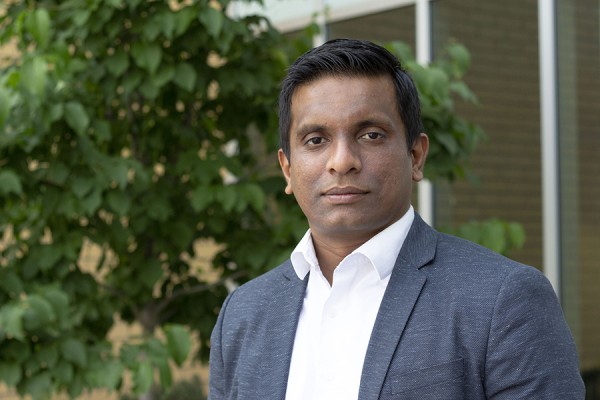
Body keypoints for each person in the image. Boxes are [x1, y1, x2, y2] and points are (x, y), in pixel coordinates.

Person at [208, 38, 584, 399]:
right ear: (287, 169)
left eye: (370, 135)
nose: (342, 161)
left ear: (416, 156)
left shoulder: (503, 300)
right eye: (316, 140)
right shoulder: (243, 314)